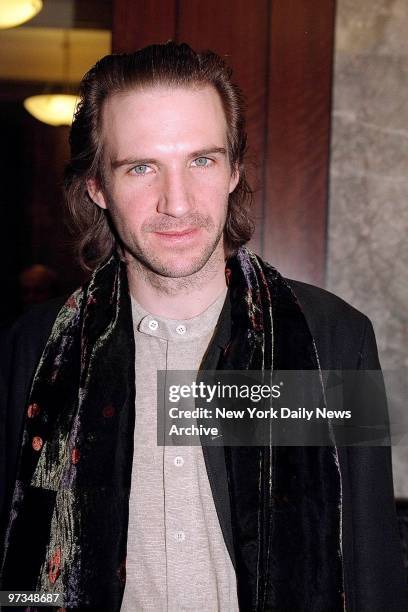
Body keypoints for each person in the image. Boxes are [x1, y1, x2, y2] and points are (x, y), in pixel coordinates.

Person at [0, 42, 406, 612]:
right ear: (97, 187)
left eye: (202, 160)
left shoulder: (332, 337)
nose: (177, 201)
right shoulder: (36, 349)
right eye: (141, 167)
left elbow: (371, 565)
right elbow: (15, 574)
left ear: (235, 170)